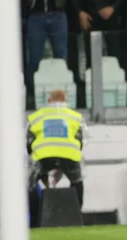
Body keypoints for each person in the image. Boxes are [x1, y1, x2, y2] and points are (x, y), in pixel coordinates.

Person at [27, 89, 87, 227]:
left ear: (49, 101)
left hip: (43, 156)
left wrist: (36, 164)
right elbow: (80, 140)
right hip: (69, 155)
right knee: (77, 182)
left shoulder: (37, 116)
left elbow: (28, 142)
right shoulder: (74, 116)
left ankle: (34, 219)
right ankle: (77, 214)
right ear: (66, 101)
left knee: (30, 184)